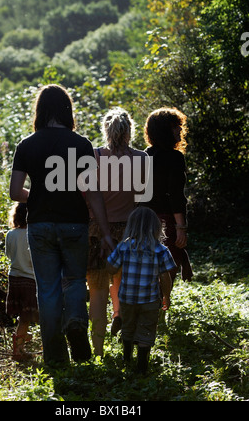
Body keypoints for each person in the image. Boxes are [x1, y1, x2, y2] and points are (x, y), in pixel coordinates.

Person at [9, 84, 113, 366]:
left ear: (40, 109)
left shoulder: (27, 145)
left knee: (48, 288)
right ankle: (77, 322)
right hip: (74, 225)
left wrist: (40, 195)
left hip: (40, 225)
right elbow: (93, 193)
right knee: (76, 280)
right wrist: (105, 233)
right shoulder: (81, 145)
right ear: (67, 109)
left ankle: (55, 357)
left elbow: (16, 193)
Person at [87, 108, 149, 357]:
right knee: (126, 287)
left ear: (106, 130)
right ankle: (126, 336)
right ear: (129, 131)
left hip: (96, 232)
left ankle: (98, 350)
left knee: (97, 291)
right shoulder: (142, 159)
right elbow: (144, 199)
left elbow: (87, 199)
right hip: (130, 232)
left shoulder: (93, 157)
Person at [107, 207, 176, 375]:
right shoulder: (160, 249)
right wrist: (166, 295)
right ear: (156, 227)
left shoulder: (124, 247)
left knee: (128, 327)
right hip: (150, 300)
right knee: (146, 329)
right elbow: (165, 276)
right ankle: (142, 365)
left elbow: (110, 267)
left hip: (127, 299)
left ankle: (127, 358)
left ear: (131, 226)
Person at [142, 107, 193, 285]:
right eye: (175, 126)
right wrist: (181, 227)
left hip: (143, 220)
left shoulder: (144, 155)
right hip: (165, 222)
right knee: (166, 269)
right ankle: (159, 309)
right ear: (165, 130)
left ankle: (150, 309)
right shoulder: (174, 157)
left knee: (148, 271)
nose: (180, 129)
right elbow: (175, 194)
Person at [5, 202, 39, 362]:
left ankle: (21, 340)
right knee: (29, 316)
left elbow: (8, 255)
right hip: (30, 279)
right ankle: (19, 347)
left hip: (14, 278)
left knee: (23, 315)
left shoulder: (10, 234)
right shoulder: (33, 234)